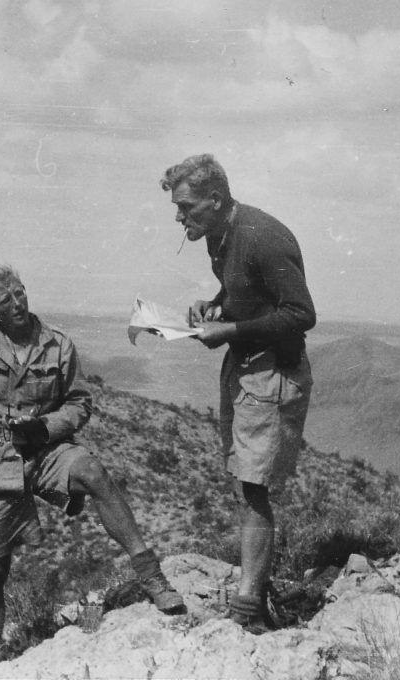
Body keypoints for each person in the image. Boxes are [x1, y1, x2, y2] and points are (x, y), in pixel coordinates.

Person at [0, 264, 185, 654]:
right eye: (5, 300)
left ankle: (151, 576)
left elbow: (80, 402)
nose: (17, 304)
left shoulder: (58, 344)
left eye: (20, 293)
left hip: (47, 450)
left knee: (93, 471)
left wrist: (45, 427)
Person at [160, 154, 315, 633]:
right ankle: (255, 598)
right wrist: (217, 305)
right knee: (244, 483)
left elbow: (301, 314)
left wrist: (229, 330)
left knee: (252, 488)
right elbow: (249, 292)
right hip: (246, 367)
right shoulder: (218, 235)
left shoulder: (263, 236)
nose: (179, 217)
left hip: (272, 373)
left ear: (215, 199)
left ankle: (248, 611)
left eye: (186, 207)